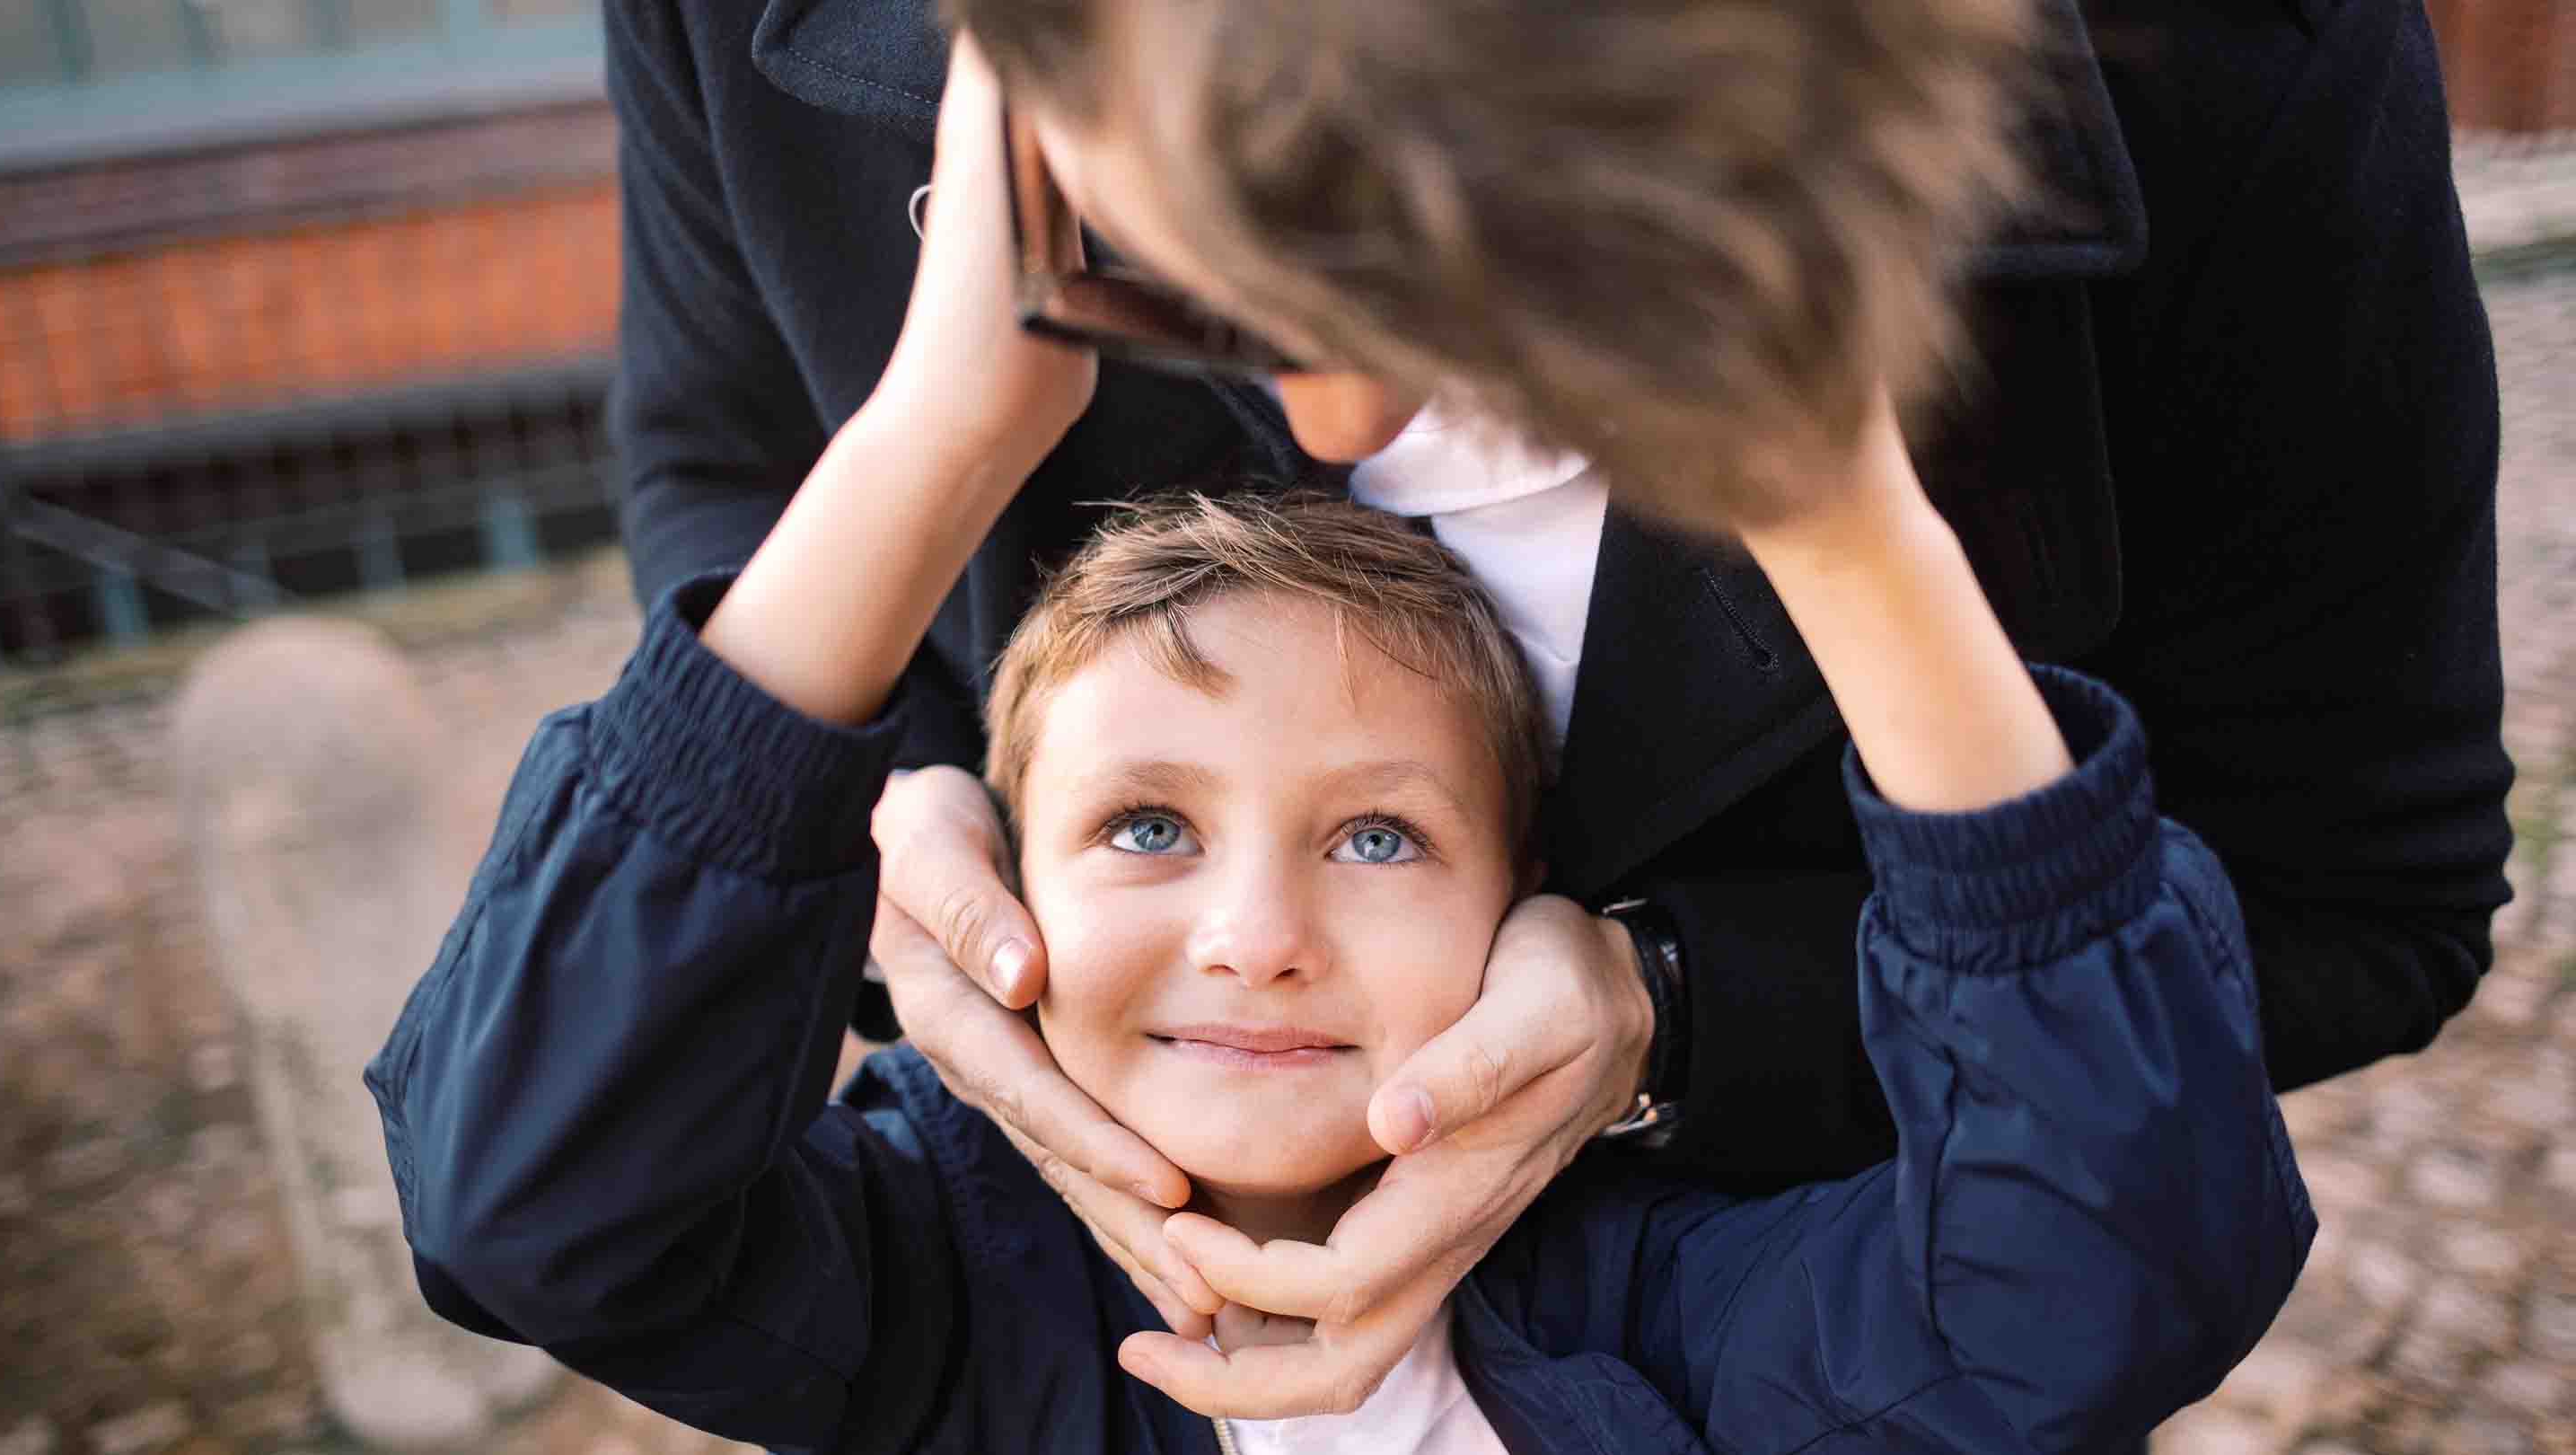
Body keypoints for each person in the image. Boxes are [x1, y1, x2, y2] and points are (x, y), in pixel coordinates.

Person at [603, 0, 2511, 1415]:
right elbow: (725, 463)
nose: (1334, 434)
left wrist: (1686, 1003)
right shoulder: (949, 1292)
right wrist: (862, 789)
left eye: (1458, 307)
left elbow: (2347, 903)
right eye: (1198, 283)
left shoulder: (2248, 61)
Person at [366, 461, 2312, 1450]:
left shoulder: (1653, 1295)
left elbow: (2097, 1281)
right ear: (994, 888)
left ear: (1525, 901)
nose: (1259, 938)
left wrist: (1836, 517)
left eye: (1378, 834)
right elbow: (532, 1208)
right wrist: (942, 430)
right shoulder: (924, 1286)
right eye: (1146, 827)